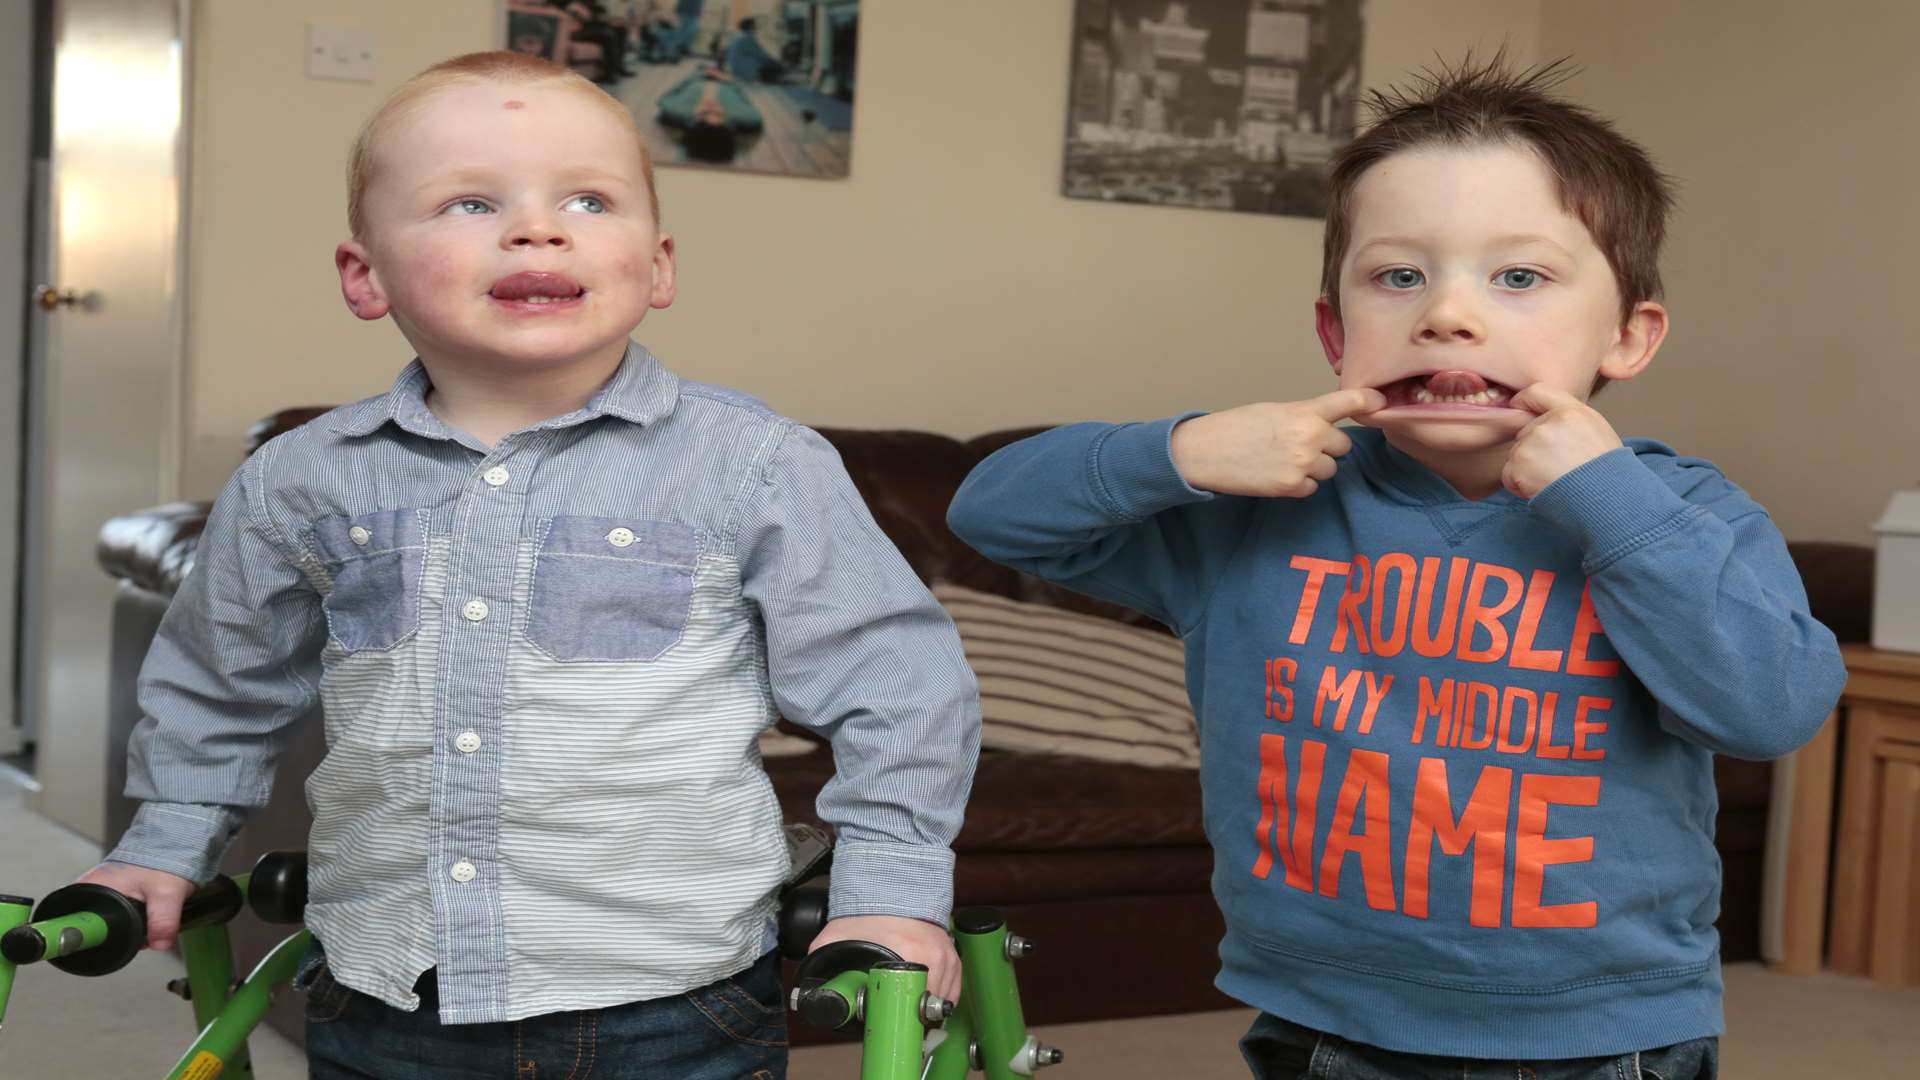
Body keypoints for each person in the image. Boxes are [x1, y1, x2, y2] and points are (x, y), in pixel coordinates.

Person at [78, 50, 979, 1079]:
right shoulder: (299, 481)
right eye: (469, 202)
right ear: (365, 276)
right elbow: (218, 683)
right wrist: (160, 845)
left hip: (671, 998)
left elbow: (899, 688)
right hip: (383, 992)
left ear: (660, 263)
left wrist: (889, 892)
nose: (537, 228)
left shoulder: (757, 467)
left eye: (589, 199)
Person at [947, 57, 1846, 1080]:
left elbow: (1772, 709)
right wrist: (1182, 449)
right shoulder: (1257, 506)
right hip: (1326, 1018)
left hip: (1601, 1035)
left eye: (1520, 277)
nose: (1448, 315)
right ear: (1336, 332)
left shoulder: (1680, 513)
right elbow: (991, 514)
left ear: (1628, 337)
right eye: (1398, 276)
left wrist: (1611, 506)